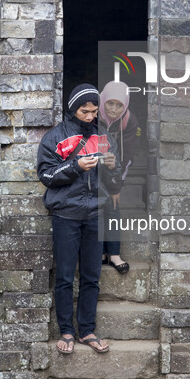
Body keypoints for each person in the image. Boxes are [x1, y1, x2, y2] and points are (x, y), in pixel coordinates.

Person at [37, 83, 122, 355]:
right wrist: (75, 166)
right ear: (73, 109)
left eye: (94, 111)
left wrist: (111, 167)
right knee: (63, 276)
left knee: (91, 277)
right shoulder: (56, 137)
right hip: (66, 214)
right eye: (85, 111)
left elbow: (114, 180)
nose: (90, 117)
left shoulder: (104, 135)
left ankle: (86, 330)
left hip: (96, 213)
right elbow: (46, 176)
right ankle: (66, 330)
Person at [98, 80, 139, 275]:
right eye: (110, 103)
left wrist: (117, 185)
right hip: (92, 167)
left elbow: (128, 155)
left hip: (114, 166)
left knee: (113, 205)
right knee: (96, 209)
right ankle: (99, 252)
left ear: (125, 105)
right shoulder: (92, 114)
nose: (114, 110)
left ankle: (113, 254)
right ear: (102, 101)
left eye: (119, 105)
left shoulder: (129, 120)